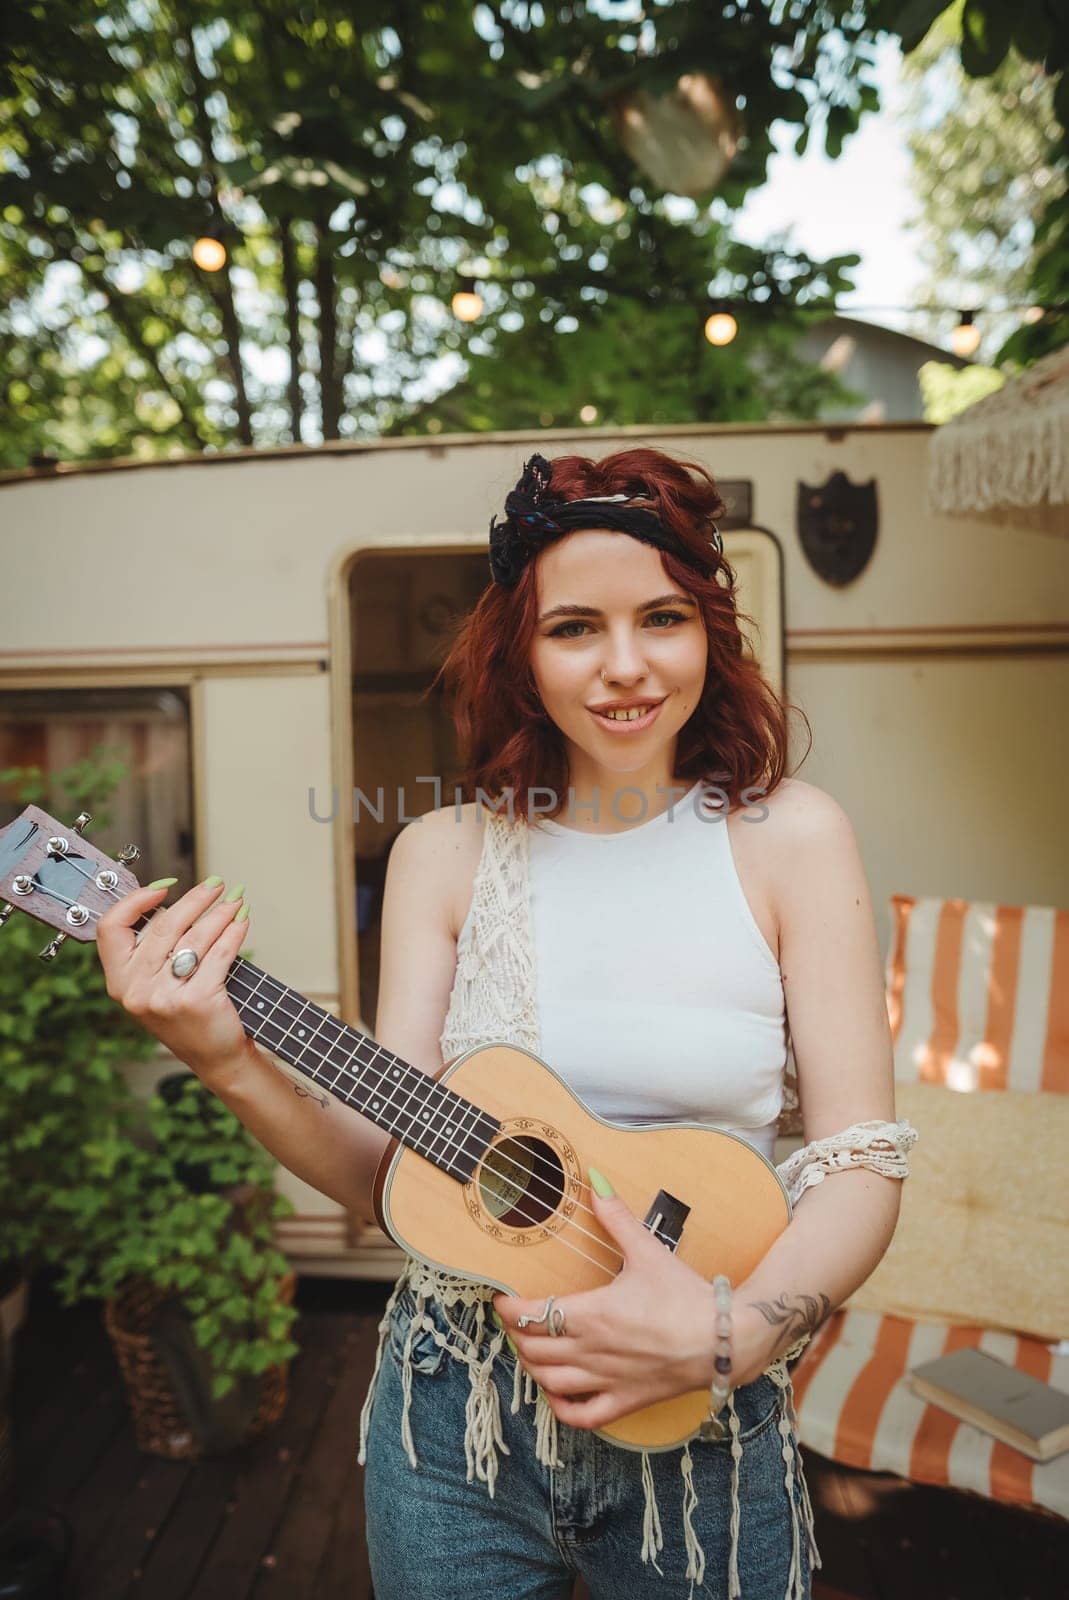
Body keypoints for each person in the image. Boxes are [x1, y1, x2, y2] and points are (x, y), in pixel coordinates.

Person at [97, 445, 917, 1600]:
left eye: (664, 619)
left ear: (710, 635)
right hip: (460, 1404)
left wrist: (730, 1337)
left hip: (707, 1407)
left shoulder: (790, 836)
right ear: (522, 655)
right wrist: (223, 1057)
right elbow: (386, 1166)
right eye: (575, 627)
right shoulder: (442, 854)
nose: (624, 667)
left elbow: (862, 1164)